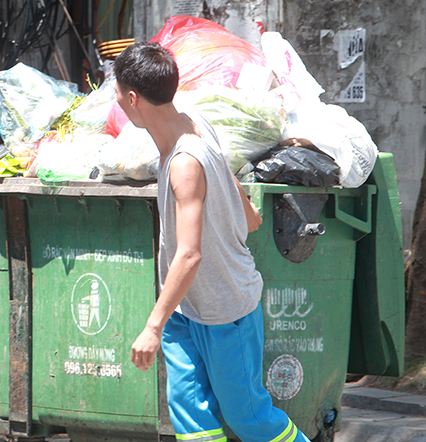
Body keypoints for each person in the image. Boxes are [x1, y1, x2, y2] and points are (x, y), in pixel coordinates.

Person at [113, 42, 311, 442]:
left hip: (225, 309)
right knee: (191, 418)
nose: (116, 102)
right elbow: (225, 170)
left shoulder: (184, 162)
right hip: (185, 307)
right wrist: (247, 212)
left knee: (249, 418)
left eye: (117, 95)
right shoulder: (193, 121)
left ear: (133, 99)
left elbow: (189, 254)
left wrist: (152, 327)